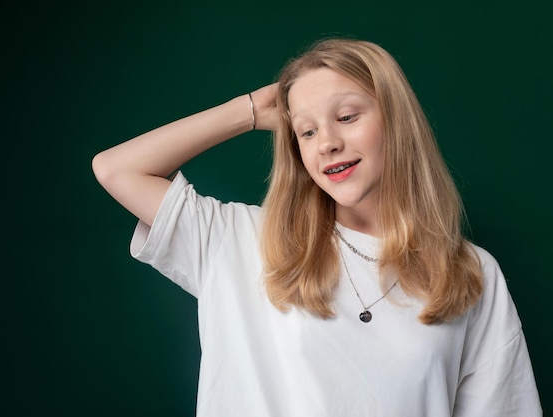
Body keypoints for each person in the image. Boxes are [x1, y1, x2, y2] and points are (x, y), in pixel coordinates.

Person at [92, 38, 542, 416]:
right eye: (306, 132)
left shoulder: (470, 272)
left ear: (397, 121)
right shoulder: (242, 239)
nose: (327, 142)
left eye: (347, 117)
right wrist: (248, 110)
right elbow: (117, 169)